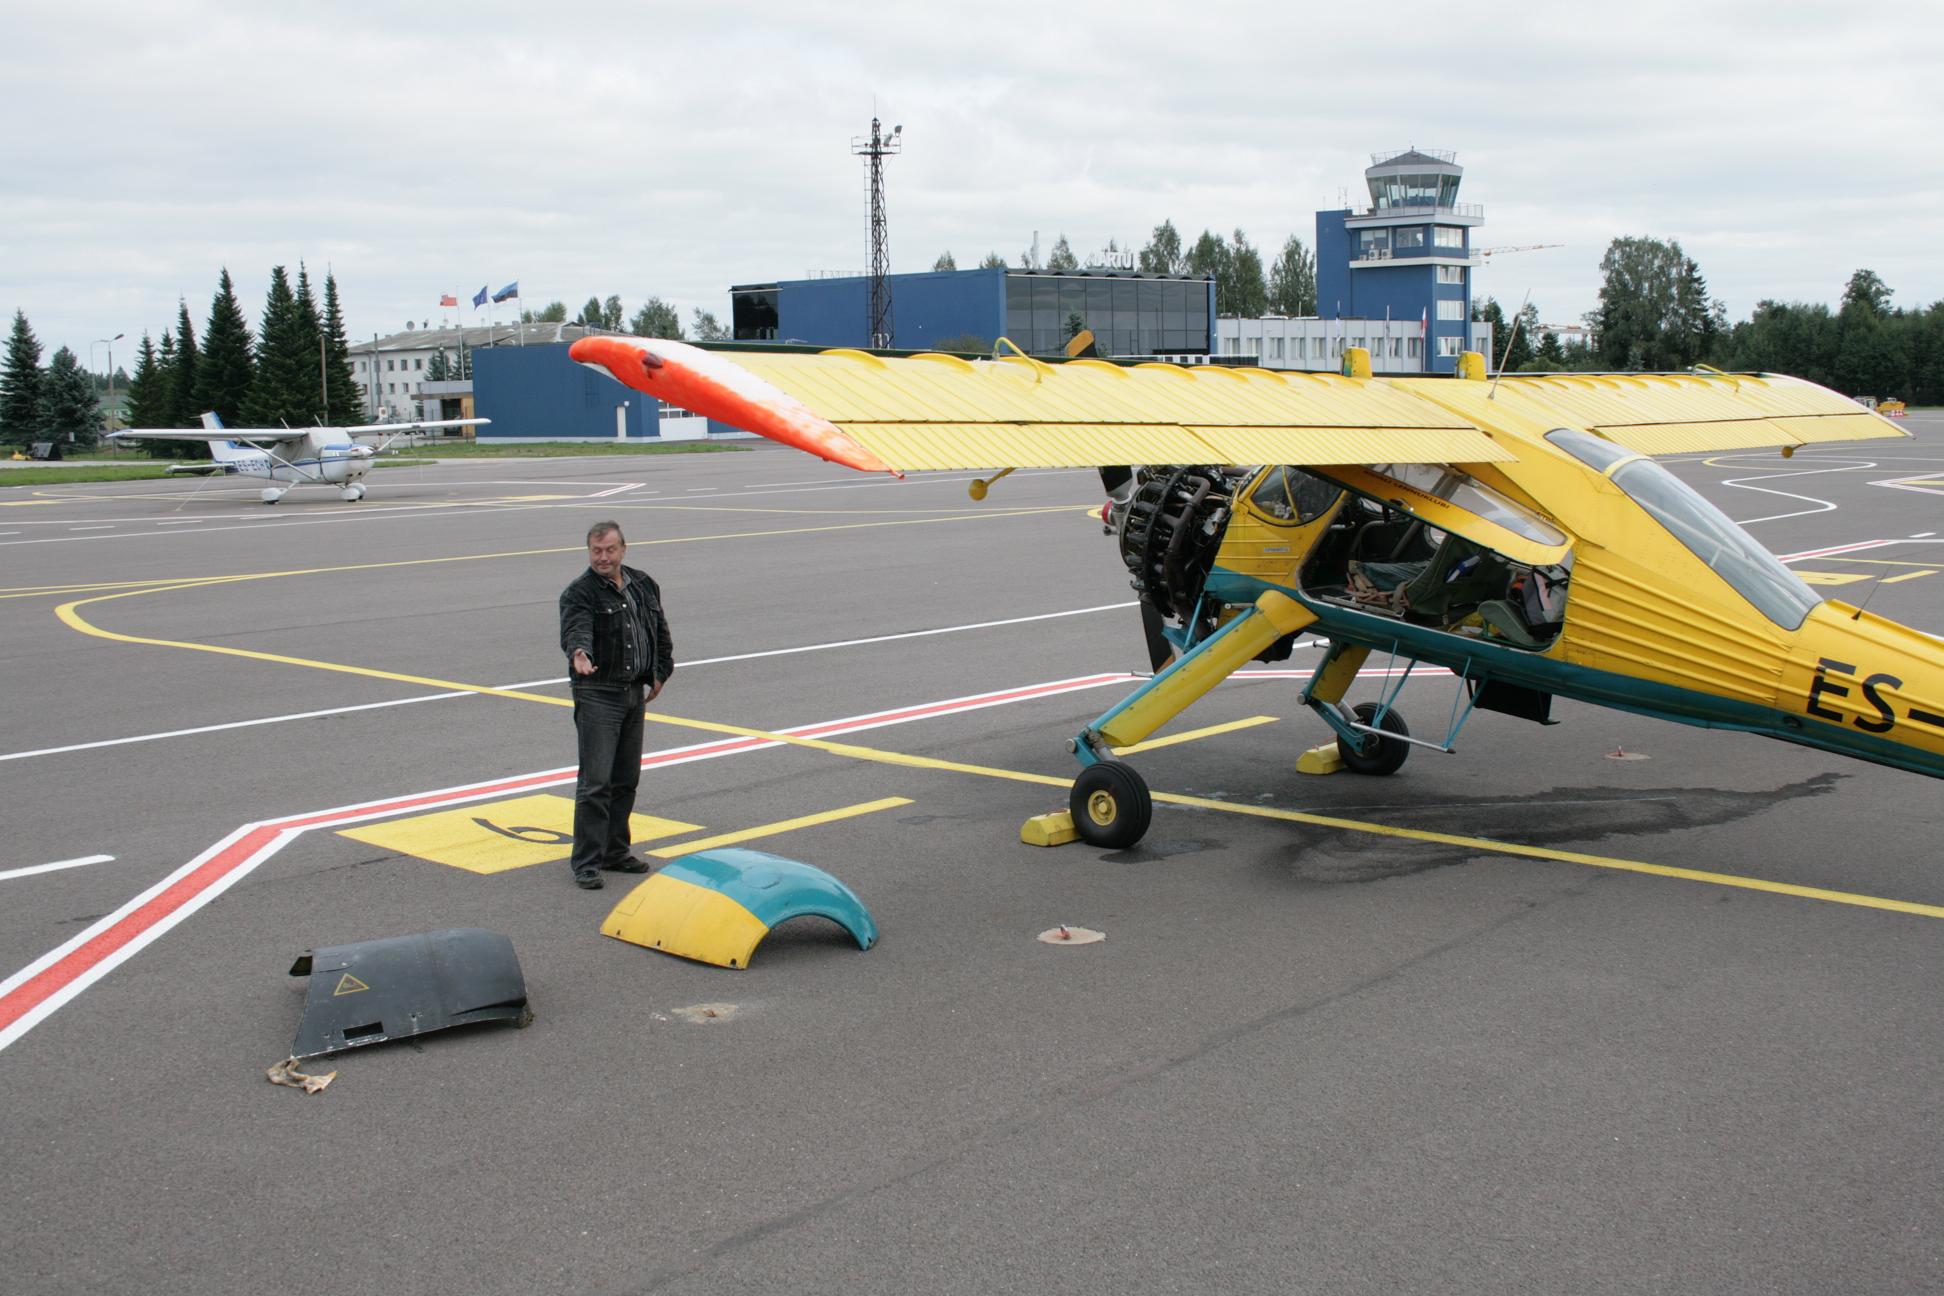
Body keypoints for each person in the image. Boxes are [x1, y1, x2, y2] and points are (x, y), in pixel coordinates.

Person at [558, 520, 674, 890]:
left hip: (632, 694)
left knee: (625, 780)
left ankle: (615, 851)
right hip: (598, 695)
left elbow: (659, 631)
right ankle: (586, 863)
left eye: (609, 550)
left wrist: (659, 672)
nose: (602, 557)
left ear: (623, 549)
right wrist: (579, 652)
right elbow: (576, 629)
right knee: (595, 782)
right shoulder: (579, 592)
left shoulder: (643, 584)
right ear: (588, 551)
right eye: (596, 551)